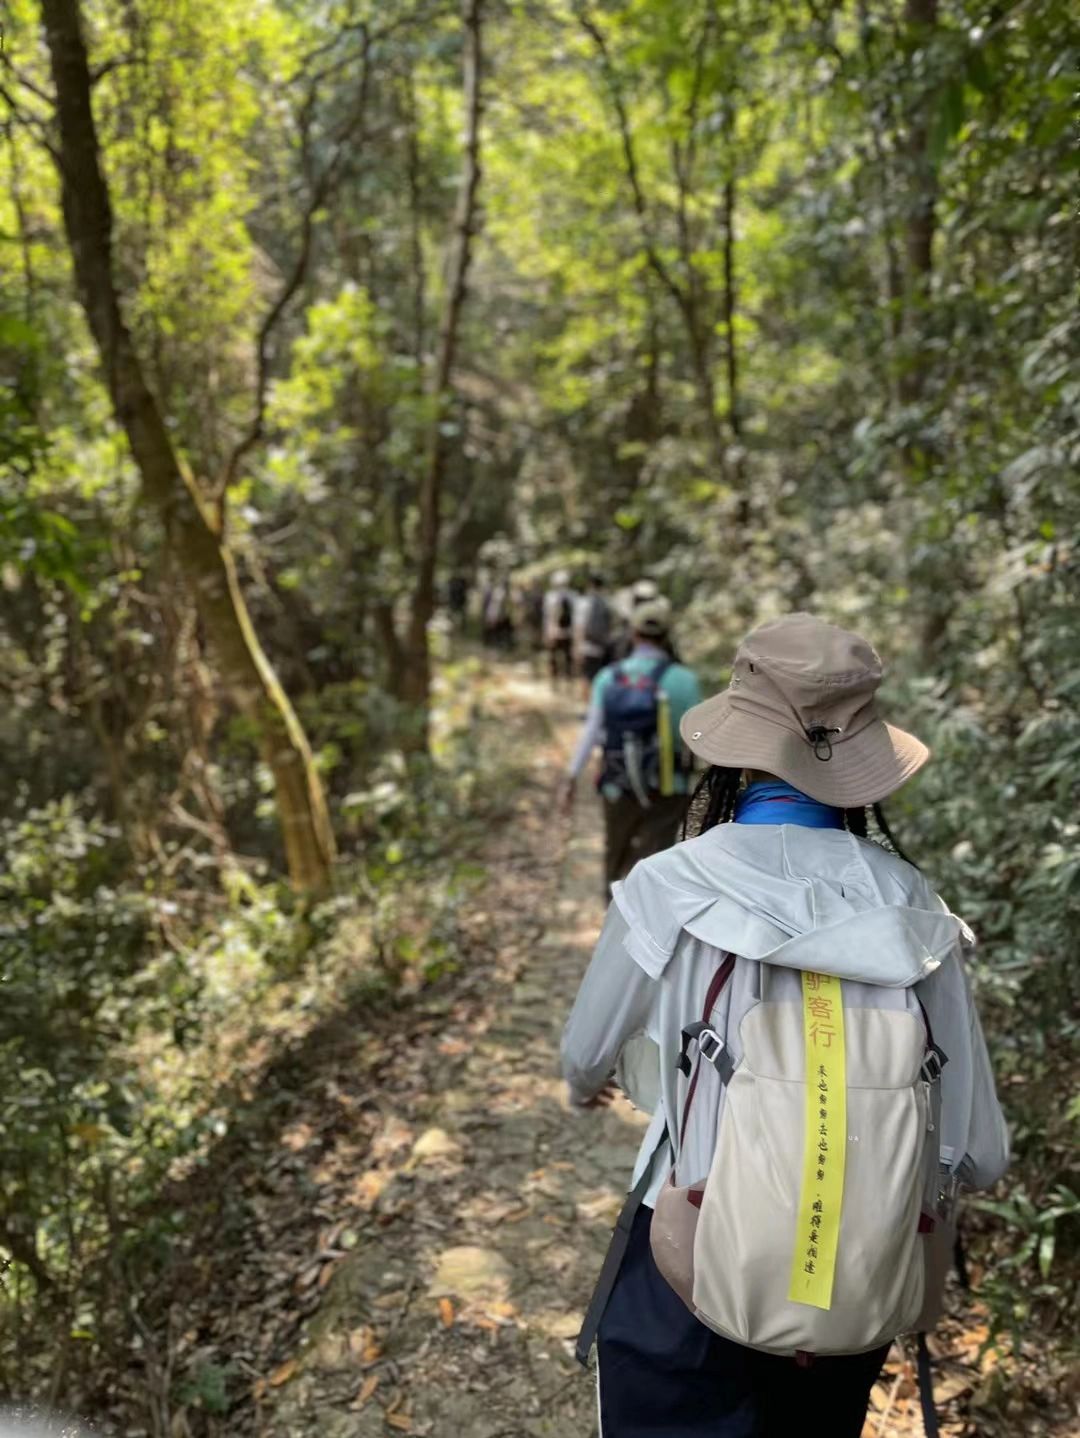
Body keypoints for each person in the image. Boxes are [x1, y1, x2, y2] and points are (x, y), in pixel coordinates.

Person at [561, 613, 1009, 1438]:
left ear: (737, 750)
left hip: (690, 1250)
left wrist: (591, 1084)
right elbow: (979, 1151)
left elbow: (584, 1053)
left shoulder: (670, 883)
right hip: (859, 1270)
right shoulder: (916, 908)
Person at [562, 597, 702, 895]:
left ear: (633, 633)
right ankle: (649, 931)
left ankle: (612, 918)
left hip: (617, 785)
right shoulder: (685, 681)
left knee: (617, 852)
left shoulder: (608, 678)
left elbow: (591, 732)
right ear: (666, 635)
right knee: (658, 861)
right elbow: (699, 740)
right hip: (668, 786)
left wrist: (572, 776)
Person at [573, 572, 615, 691]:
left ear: (589, 585)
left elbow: (579, 627)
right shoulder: (608, 602)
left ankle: (587, 706)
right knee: (601, 678)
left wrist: (576, 647)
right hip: (604, 647)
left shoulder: (583, 602)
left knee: (586, 676)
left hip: (587, 646)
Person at [543, 569, 577, 685]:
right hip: (562, 632)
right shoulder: (572, 596)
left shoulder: (551, 597)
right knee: (560, 658)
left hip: (561, 632)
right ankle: (559, 681)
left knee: (561, 658)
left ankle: (561, 681)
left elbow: (547, 617)